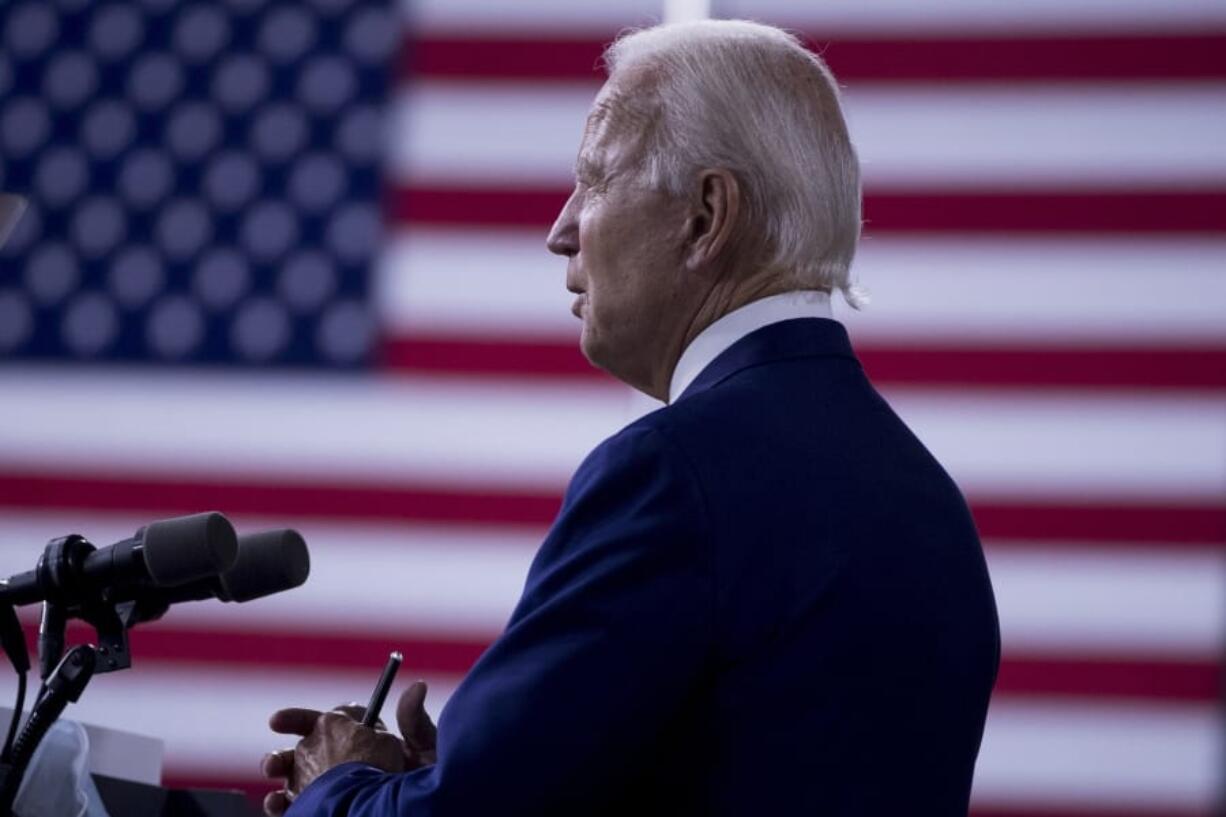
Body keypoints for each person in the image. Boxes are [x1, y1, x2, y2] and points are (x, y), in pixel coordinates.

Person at [262, 19, 1000, 816]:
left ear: (706, 216)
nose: (561, 229)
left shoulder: (671, 474)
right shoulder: (931, 501)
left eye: (594, 180)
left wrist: (338, 786)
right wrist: (520, 766)